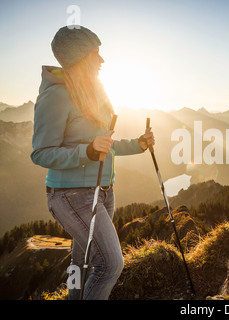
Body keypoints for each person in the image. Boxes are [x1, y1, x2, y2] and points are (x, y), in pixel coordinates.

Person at [30, 25, 154, 300]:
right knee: (110, 264)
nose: (102, 60)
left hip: (103, 191)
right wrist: (85, 151)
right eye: (96, 53)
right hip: (70, 196)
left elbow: (103, 145)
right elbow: (41, 153)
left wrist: (138, 144)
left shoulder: (95, 91)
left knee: (83, 264)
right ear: (80, 58)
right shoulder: (55, 95)